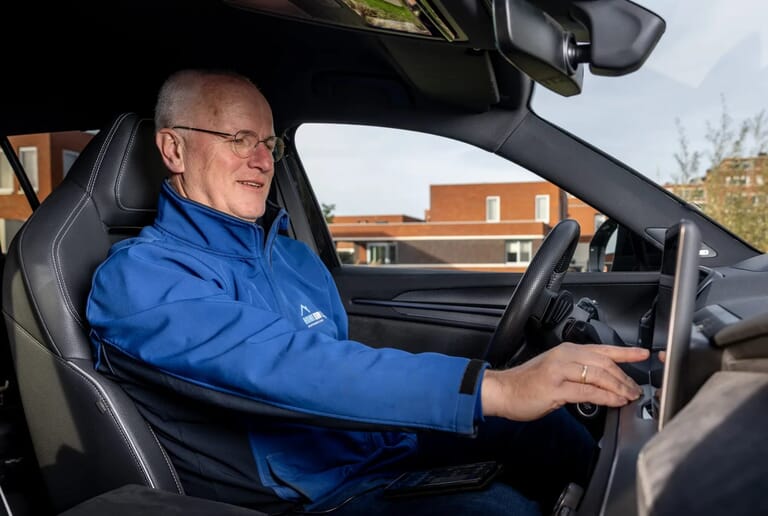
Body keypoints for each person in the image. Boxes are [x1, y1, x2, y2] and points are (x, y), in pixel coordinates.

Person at [86, 68, 649, 515]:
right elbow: (292, 367)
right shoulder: (139, 279)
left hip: (373, 448)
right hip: (308, 497)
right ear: (174, 150)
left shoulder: (287, 253)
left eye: (266, 141)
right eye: (238, 138)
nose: (261, 159)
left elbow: (342, 357)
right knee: (502, 508)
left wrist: (502, 401)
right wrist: (495, 389)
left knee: (546, 429)